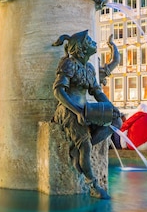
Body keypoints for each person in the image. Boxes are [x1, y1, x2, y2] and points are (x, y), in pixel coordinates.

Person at [51, 30, 122, 199]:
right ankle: (93, 184)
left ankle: (77, 149)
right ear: (81, 48)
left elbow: (97, 92)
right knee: (86, 146)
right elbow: (58, 91)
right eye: (89, 41)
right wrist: (76, 111)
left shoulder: (90, 68)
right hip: (68, 109)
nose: (93, 42)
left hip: (86, 109)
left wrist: (111, 108)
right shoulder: (68, 63)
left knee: (116, 121)